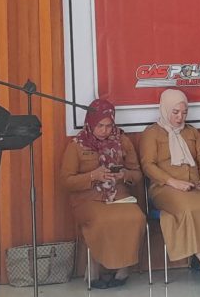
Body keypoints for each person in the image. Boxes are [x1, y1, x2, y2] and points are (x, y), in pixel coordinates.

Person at [139, 89, 200, 287]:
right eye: (175, 112)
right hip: (165, 188)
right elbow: (148, 165)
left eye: (184, 113)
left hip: (195, 185)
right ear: (165, 109)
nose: (180, 117)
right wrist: (172, 182)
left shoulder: (191, 131)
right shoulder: (152, 133)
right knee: (188, 210)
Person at [59, 99, 145, 289]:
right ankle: (94, 266)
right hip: (87, 198)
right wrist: (93, 176)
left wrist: (124, 175)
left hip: (119, 195)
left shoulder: (122, 141)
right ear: (90, 123)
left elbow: (137, 174)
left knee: (136, 218)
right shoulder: (77, 145)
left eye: (109, 125)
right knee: (102, 221)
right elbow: (66, 181)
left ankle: (123, 269)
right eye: (100, 125)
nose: (105, 130)